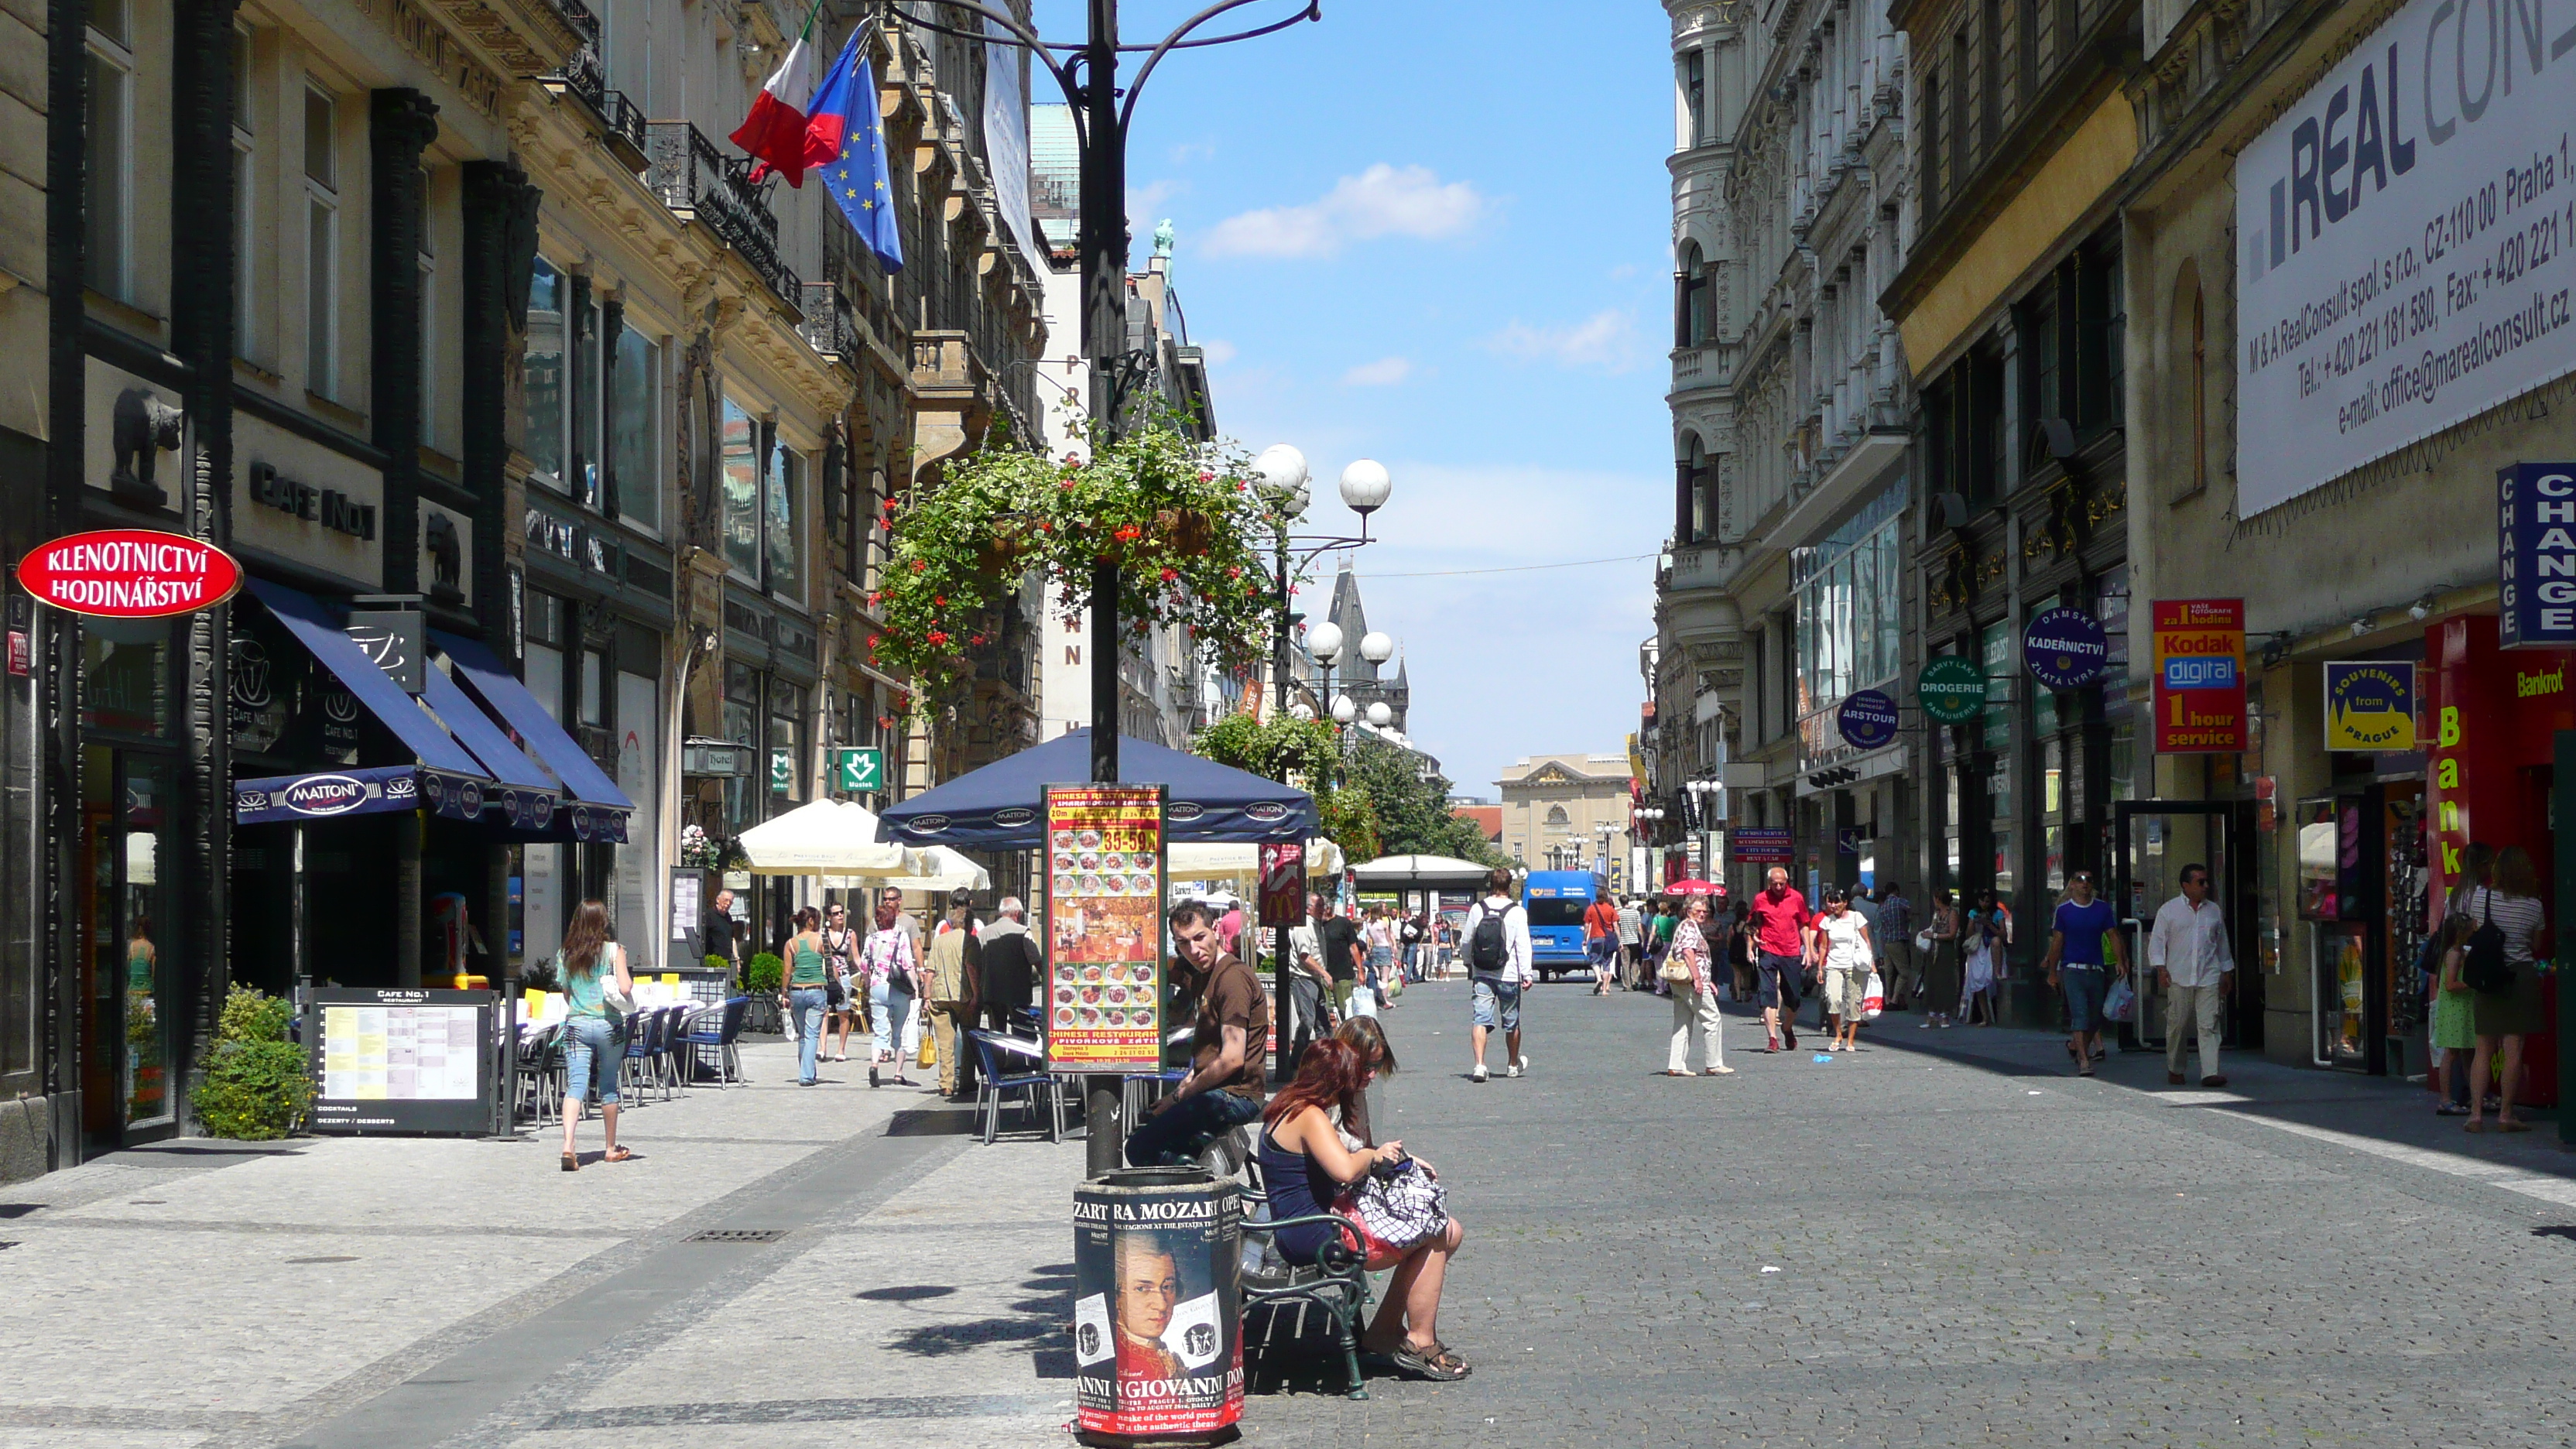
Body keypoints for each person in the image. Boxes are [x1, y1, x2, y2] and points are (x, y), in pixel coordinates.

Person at [1255, 1038, 1468, 1381]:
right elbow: (1344, 1169)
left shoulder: (1289, 1106)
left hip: (1304, 1225)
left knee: (1446, 1230)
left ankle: (1385, 1332)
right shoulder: (1308, 1115)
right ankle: (1419, 1340)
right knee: (1439, 1231)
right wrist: (1371, 1157)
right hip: (1316, 1234)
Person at [1126, 902, 1271, 1166]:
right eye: (1183, 943)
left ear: (1216, 929)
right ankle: (1195, 1178)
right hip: (1219, 1093)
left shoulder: (1232, 979)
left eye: (1199, 937)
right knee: (1149, 1126)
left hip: (1235, 1095)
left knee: (1140, 1148)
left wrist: (1182, 1096)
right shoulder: (1206, 976)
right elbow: (1205, 1055)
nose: (1193, 950)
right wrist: (1174, 1096)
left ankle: (1204, 1186)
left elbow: (1232, 1058)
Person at [2462, 844, 2550, 1133]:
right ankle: (2506, 1115)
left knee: (2483, 1048)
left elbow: (2474, 930)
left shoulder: (2481, 896)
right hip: (2521, 976)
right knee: (2514, 1048)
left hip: (2489, 976)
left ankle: (2475, 1114)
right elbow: (2535, 946)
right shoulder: (2534, 905)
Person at [555, 899, 634, 1169]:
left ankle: (568, 1146)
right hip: (608, 1025)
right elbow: (624, 988)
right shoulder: (614, 950)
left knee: (575, 1084)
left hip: (576, 1024)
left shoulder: (567, 952)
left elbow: (566, 992)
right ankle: (610, 1148)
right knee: (608, 1086)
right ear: (603, 921)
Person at [2148, 863, 2232, 1087]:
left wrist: (2227, 971)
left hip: (2209, 975)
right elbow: (2157, 942)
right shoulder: (2169, 910)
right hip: (2179, 976)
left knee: (2209, 1024)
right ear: (2186, 885)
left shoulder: (2213, 910)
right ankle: (2175, 1068)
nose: (2205, 886)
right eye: (2200, 882)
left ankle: (2210, 1072)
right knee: (2178, 1025)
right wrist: (2161, 969)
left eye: (2206, 881)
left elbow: (2222, 943)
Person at [2040, 871, 2124, 1077]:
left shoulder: (2102, 909)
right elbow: (2057, 942)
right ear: (2072, 885)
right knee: (2080, 1014)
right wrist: (2052, 971)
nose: (2084, 884)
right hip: (2072, 969)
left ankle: (2076, 1046)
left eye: (2089, 880)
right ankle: (2084, 1061)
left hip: (2095, 968)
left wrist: (2120, 961)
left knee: (2095, 1017)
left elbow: (2113, 935)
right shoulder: (2064, 911)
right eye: (2080, 880)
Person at [1461, 868, 1533, 1082]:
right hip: (1508, 974)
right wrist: (1526, 973)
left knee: (1480, 1019)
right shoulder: (1517, 912)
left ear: (1491, 885)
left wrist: (1468, 963)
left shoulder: (1477, 909)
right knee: (1512, 1022)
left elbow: (1467, 940)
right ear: (1510, 886)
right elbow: (1523, 944)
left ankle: (1480, 1065)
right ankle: (1512, 1064)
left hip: (1483, 972)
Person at [1663, 896, 1735, 1076]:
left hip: (1682, 981)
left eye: (1705, 911)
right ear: (1688, 911)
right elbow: (1688, 953)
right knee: (1712, 1019)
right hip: (1690, 981)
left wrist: (1706, 978)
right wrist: (1698, 979)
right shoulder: (1689, 926)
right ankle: (1714, 1063)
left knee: (1682, 1023)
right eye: (1698, 910)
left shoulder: (1688, 926)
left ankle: (1676, 1065)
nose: (1702, 914)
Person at [923, 889, 983, 1101]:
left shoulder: (939, 941)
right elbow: (971, 969)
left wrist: (926, 997)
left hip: (939, 997)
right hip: (963, 996)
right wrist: (977, 996)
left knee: (946, 1043)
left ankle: (946, 1084)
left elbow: (929, 971)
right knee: (967, 1038)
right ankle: (966, 1081)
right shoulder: (970, 941)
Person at [1110, 1234, 1187, 1394]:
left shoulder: (1169, 1357)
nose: (1161, 1304)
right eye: (1142, 1289)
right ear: (1116, 1295)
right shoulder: (1115, 1360)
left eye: (1167, 1287)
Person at [1746, 866, 1810, 1053]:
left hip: (1791, 952)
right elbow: (1751, 924)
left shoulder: (1796, 897)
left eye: (1782, 883)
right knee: (1767, 993)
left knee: (1794, 999)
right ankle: (1772, 1039)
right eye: (1775, 884)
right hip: (1768, 949)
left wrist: (1808, 950)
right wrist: (1752, 944)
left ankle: (1787, 1028)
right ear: (1769, 883)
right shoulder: (1760, 899)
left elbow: (1804, 924)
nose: (1779, 887)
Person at [859, 896, 920, 1088]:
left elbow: (863, 966)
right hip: (898, 988)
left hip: (878, 987)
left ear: (878, 922)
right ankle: (898, 1073)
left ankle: (875, 1064)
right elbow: (907, 963)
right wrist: (916, 987)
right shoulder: (900, 936)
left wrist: (868, 983)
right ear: (894, 920)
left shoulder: (871, 938)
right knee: (900, 1030)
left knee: (880, 1031)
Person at [2427, 909, 2480, 1115]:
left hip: (2462, 1007)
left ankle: (2474, 1095)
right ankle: (2446, 1099)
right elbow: (2450, 984)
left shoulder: (2458, 953)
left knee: (2468, 1051)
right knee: (2452, 1053)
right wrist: (2472, 983)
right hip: (2455, 1008)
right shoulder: (2454, 954)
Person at [1810, 887, 1874, 1053]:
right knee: (1832, 999)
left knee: (1854, 1002)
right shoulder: (1827, 921)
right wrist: (1819, 968)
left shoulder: (1856, 918)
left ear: (1845, 903)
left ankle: (1850, 1040)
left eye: (1837, 901)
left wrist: (1872, 962)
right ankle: (1838, 1034)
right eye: (1830, 901)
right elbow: (1824, 946)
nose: (1833, 905)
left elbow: (1867, 941)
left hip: (1854, 964)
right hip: (1833, 965)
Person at [775, 906, 831, 1087]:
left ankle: (808, 1072)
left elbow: (786, 972)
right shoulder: (821, 940)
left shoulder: (790, 943)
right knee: (813, 1034)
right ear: (811, 921)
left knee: (803, 1035)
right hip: (817, 990)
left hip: (797, 991)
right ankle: (806, 1076)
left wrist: (783, 993)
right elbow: (831, 966)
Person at [978, 896, 1040, 1037]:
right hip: (1018, 993)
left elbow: (975, 963)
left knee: (996, 1033)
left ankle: (998, 1059)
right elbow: (1036, 959)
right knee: (1021, 1032)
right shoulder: (1023, 932)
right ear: (1017, 913)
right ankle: (1015, 1060)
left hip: (992, 992)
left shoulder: (983, 934)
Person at [1334, 1016, 1399, 1146]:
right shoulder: (1328, 1102)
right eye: (1366, 1067)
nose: (1372, 1075)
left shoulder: (1357, 1091)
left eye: (1378, 1065)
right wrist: (1375, 1156)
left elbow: (1367, 1146)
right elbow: (1339, 1163)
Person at [820, 902, 862, 1064]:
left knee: (843, 1013)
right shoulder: (823, 934)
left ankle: (841, 1049)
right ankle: (822, 1048)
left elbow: (856, 957)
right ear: (829, 917)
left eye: (842, 912)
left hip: (844, 976)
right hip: (826, 975)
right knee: (823, 1011)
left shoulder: (850, 934)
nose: (840, 916)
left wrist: (865, 973)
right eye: (836, 913)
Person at [1960, 889, 2008, 1026]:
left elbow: (2003, 935)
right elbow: (1968, 934)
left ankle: (1998, 972)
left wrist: (1989, 924)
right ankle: (1985, 1016)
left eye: (1987, 901)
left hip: (1992, 947)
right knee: (1978, 980)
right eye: (1982, 901)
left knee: (1996, 941)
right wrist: (1973, 922)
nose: (1984, 904)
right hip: (1978, 946)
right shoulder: (1974, 912)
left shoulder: (1998, 913)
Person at [1920, 888, 1962, 1029]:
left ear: (1939, 899)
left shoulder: (1952, 913)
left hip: (1946, 950)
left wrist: (1934, 936)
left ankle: (1945, 1015)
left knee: (1945, 981)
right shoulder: (1936, 914)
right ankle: (1932, 1014)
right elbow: (1933, 928)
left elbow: (1952, 934)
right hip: (1934, 950)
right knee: (1932, 980)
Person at [1318, 899, 1363, 1019]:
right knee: (1325, 1011)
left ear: (1328, 909)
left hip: (1342, 973)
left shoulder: (1343, 923)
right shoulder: (1316, 924)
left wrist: (1360, 970)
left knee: (1345, 1009)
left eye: (1320, 908)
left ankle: (1347, 1035)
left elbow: (1353, 947)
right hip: (1322, 973)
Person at [1875, 882, 1916, 1011]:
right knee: (1904, 972)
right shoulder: (1899, 902)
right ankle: (1894, 999)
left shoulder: (1882, 907)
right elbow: (1910, 907)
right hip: (1898, 940)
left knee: (1889, 972)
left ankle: (1887, 997)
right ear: (1896, 891)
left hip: (1886, 942)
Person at [701, 888, 742, 982]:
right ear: (718, 900)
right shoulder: (709, 916)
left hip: (727, 962)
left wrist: (737, 960)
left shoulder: (728, 917)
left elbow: (732, 939)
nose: (728, 904)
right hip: (713, 963)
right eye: (726, 900)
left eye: (730, 902)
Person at [1616, 896, 1646, 991]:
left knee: (1625, 963)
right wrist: (1642, 940)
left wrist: (1619, 940)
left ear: (1621, 903)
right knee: (1635, 961)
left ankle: (1627, 985)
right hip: (1635, 941)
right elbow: (1639, 928)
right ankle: (1635, 980)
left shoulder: (1619, 914)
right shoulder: (1636, 913)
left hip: (1624, 941)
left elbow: (1618, 928)